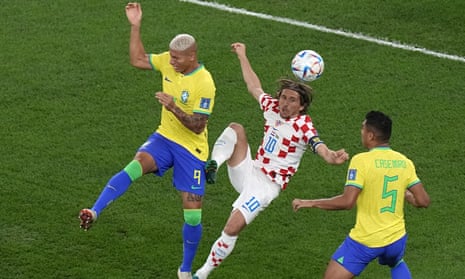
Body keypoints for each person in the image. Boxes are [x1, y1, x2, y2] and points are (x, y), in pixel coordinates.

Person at [79, 3, 216, 279]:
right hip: (164, 138)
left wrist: (174, 106)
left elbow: (198, 125)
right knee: (135, 165)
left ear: (192, 56)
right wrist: (136, 25)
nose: (172, 61)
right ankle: (94, 211)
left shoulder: (205, 83)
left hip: (192, 149)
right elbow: (138, 60)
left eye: (177, 58)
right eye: (171, 56)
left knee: (192, 215)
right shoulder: (168, 60)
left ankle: (185, 270)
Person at [192, 42, 349, 279]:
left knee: (231, 227)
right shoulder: (273, 108)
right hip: (250, 170)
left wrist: (331, 157)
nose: (285, 104)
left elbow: (319, 147)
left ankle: (201, 275)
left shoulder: (303, 125)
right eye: (283, 98)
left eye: (292, 100)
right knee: (236, 129)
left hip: (265, 187)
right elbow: (253, 86)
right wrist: (243, 55)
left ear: (302, 105)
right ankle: (214, 163)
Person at [292, 110, 430, 279]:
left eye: (363, 128)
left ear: (371, 136)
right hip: (396, 238)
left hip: (366, 240)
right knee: (396, 261)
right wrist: (405, 194)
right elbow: (423, 200)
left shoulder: (361, 161)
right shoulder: (404, 162)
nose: (361, 132)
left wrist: (310, 202)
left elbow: (347, 202)